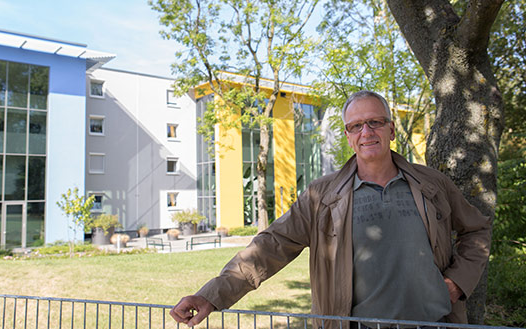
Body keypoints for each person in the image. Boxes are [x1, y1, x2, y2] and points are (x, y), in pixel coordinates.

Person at [170, 90, 491, 328]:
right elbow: (270, 246)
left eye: (375, 123)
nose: (367, 132)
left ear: (391, 130)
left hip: (436, 324)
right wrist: (212, 294)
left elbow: (476, 228)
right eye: (356, 126)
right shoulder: (323, 196)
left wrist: (458, 282)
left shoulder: (432, 184)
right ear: (349, 137)